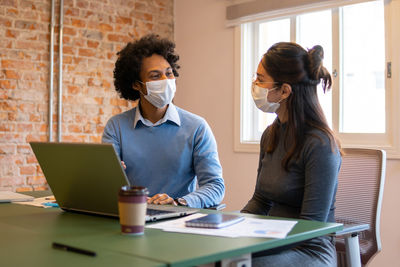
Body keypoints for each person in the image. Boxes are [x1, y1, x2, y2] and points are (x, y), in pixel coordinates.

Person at [241, 42, 342, 266]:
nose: (254, 85)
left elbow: (310, 226)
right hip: (273, 239)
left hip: (311, 249)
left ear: (285, 90)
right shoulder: (270, 134)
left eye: (260, 79)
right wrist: (229, 229)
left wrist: (253, 246)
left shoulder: (320, 144)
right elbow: (260, 201)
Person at [102, 34, 225, 209]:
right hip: (130, 215)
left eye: (168, 73)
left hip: (177, 220)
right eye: (155, 76)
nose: (165, 81)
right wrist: (110, 175)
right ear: (136, 84)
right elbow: (107, 184)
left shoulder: (197, 127)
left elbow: (215, 186)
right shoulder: (116, 127)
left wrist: (178, 202)